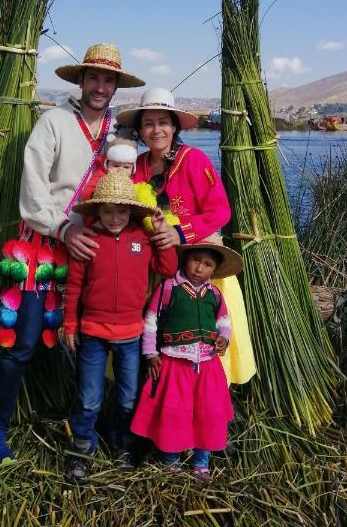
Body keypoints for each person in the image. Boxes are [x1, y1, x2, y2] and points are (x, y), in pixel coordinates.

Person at [0, 43, 145, 468]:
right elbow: (33, 188)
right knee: (24, 340)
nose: (100, 86)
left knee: (101, 335)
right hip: (44, 244)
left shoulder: (119, 136)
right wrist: (63, 227)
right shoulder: (53, 123)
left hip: (93, 249)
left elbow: (134, 188)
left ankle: (101, 426)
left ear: (115, 87)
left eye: (108, 80)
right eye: (93, 77)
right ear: (80, 80)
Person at [116, 88, 256, 386]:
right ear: (140, 130)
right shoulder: (137, 166)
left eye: (163, 122)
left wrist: (179, 232)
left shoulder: (194, 160)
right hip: (157, 266)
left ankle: (208, 399)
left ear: (174, 126)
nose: (156, 130)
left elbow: (220, 212)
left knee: (201, 344)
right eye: (149, 123)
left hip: (200, 267)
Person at [63, 171, 178, 482]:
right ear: (98, 211)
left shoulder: (141, 239)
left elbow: (167, 268)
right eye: (108, 211)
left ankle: (122, 444)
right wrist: (70, 324)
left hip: (130, 334)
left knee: (128, 397)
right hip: (93, 332)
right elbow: (74, 287)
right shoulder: (88, 240)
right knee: (89, 397)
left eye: (122, 211)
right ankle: (82, 450)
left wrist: (160, 233)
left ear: (131, 211)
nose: (115, 218)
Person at [130, 236, 242, 484]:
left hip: (207, 365)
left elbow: (224, 323)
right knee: (174, 414)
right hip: (174, 364)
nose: (200, 268)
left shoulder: (214, 293)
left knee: (208, 413)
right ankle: (171, 461)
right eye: (195, 261)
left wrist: (224, 338)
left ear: (214, 269)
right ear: (185, 260)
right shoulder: (169, 288)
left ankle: (201, 462)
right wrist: (151, 354)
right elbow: (151, 322)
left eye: (208, 264)